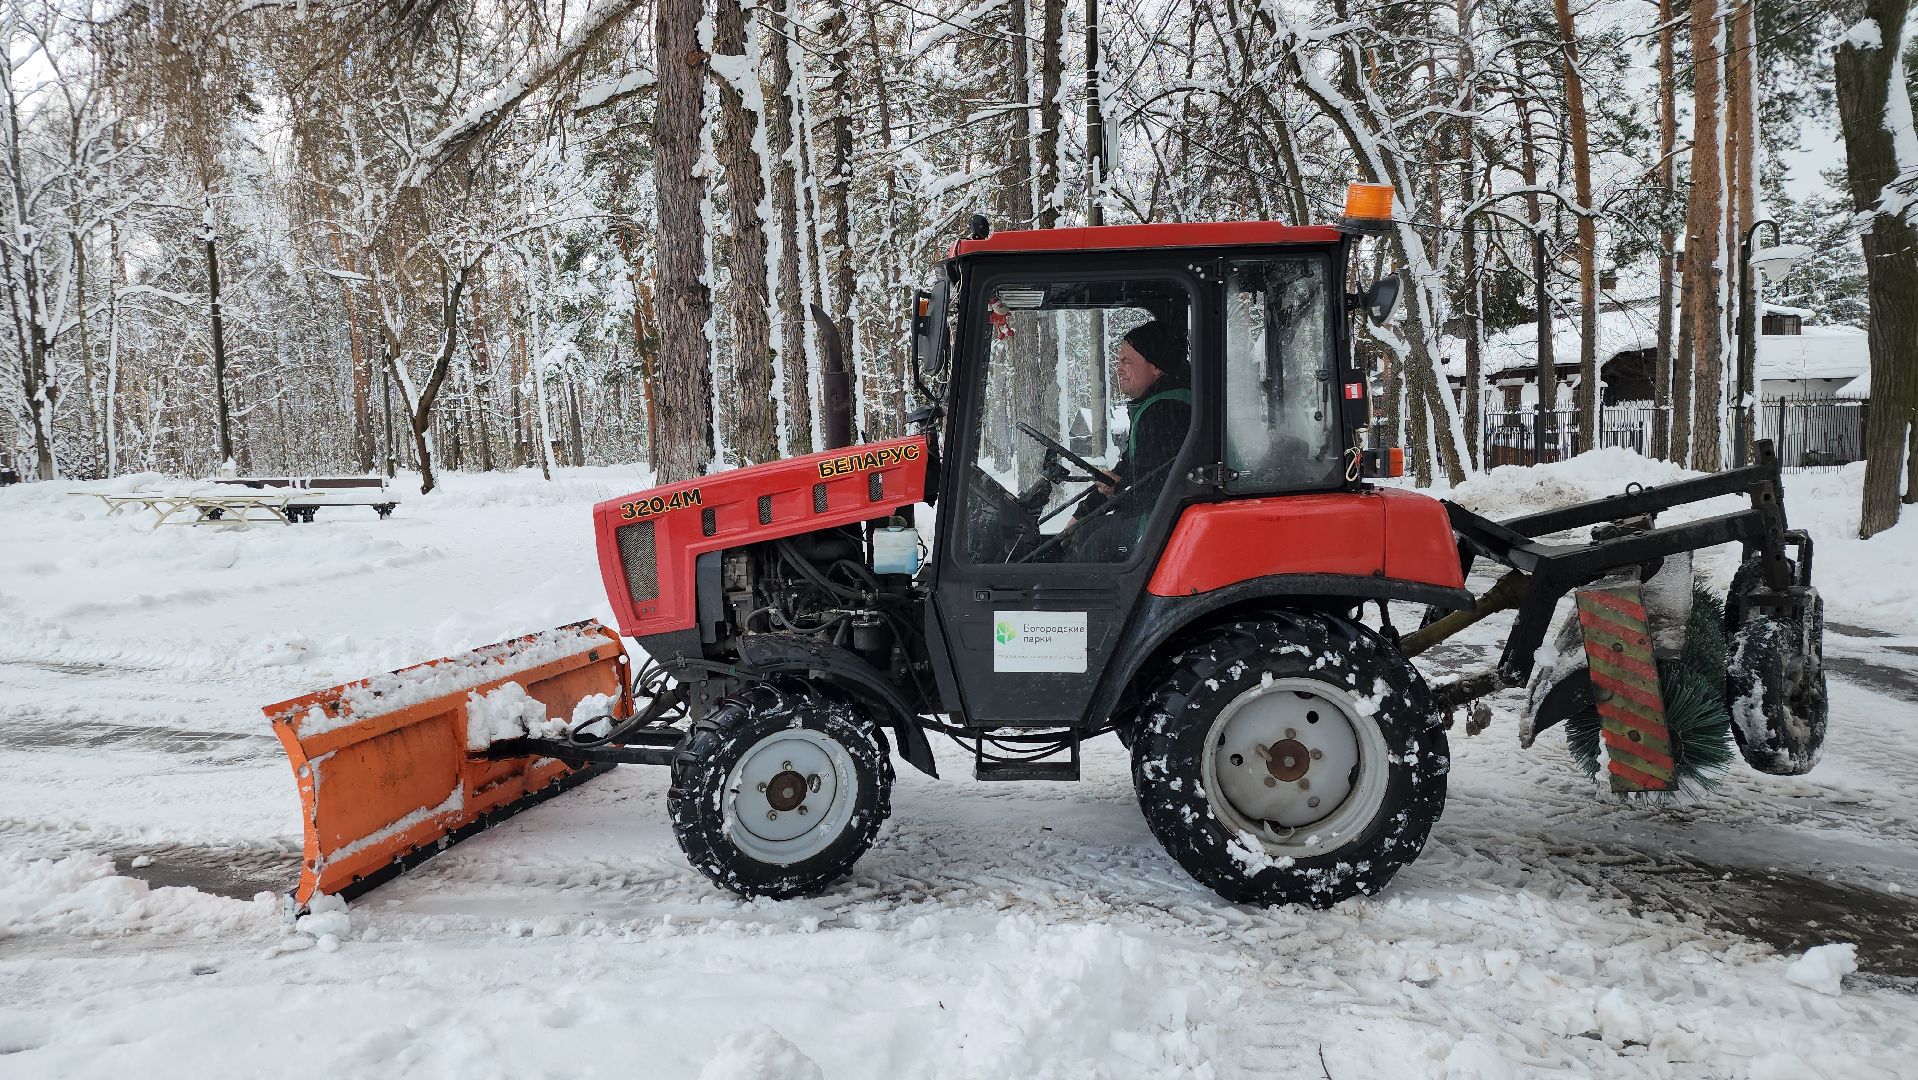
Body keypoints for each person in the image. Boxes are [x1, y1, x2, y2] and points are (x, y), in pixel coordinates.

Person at [1070, 319, 1191, 561]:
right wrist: (1079, 516)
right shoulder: (1157, 404)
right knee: (1086, 533)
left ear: (1156, 367)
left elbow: (1151, 490)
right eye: (1118, 361)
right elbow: (1129, 469)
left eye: (1127, 361)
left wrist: (1117, 490)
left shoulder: (1165, 412)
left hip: (1167, 526)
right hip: (1166, 518)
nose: (1119, 368)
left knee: (1096, 543)